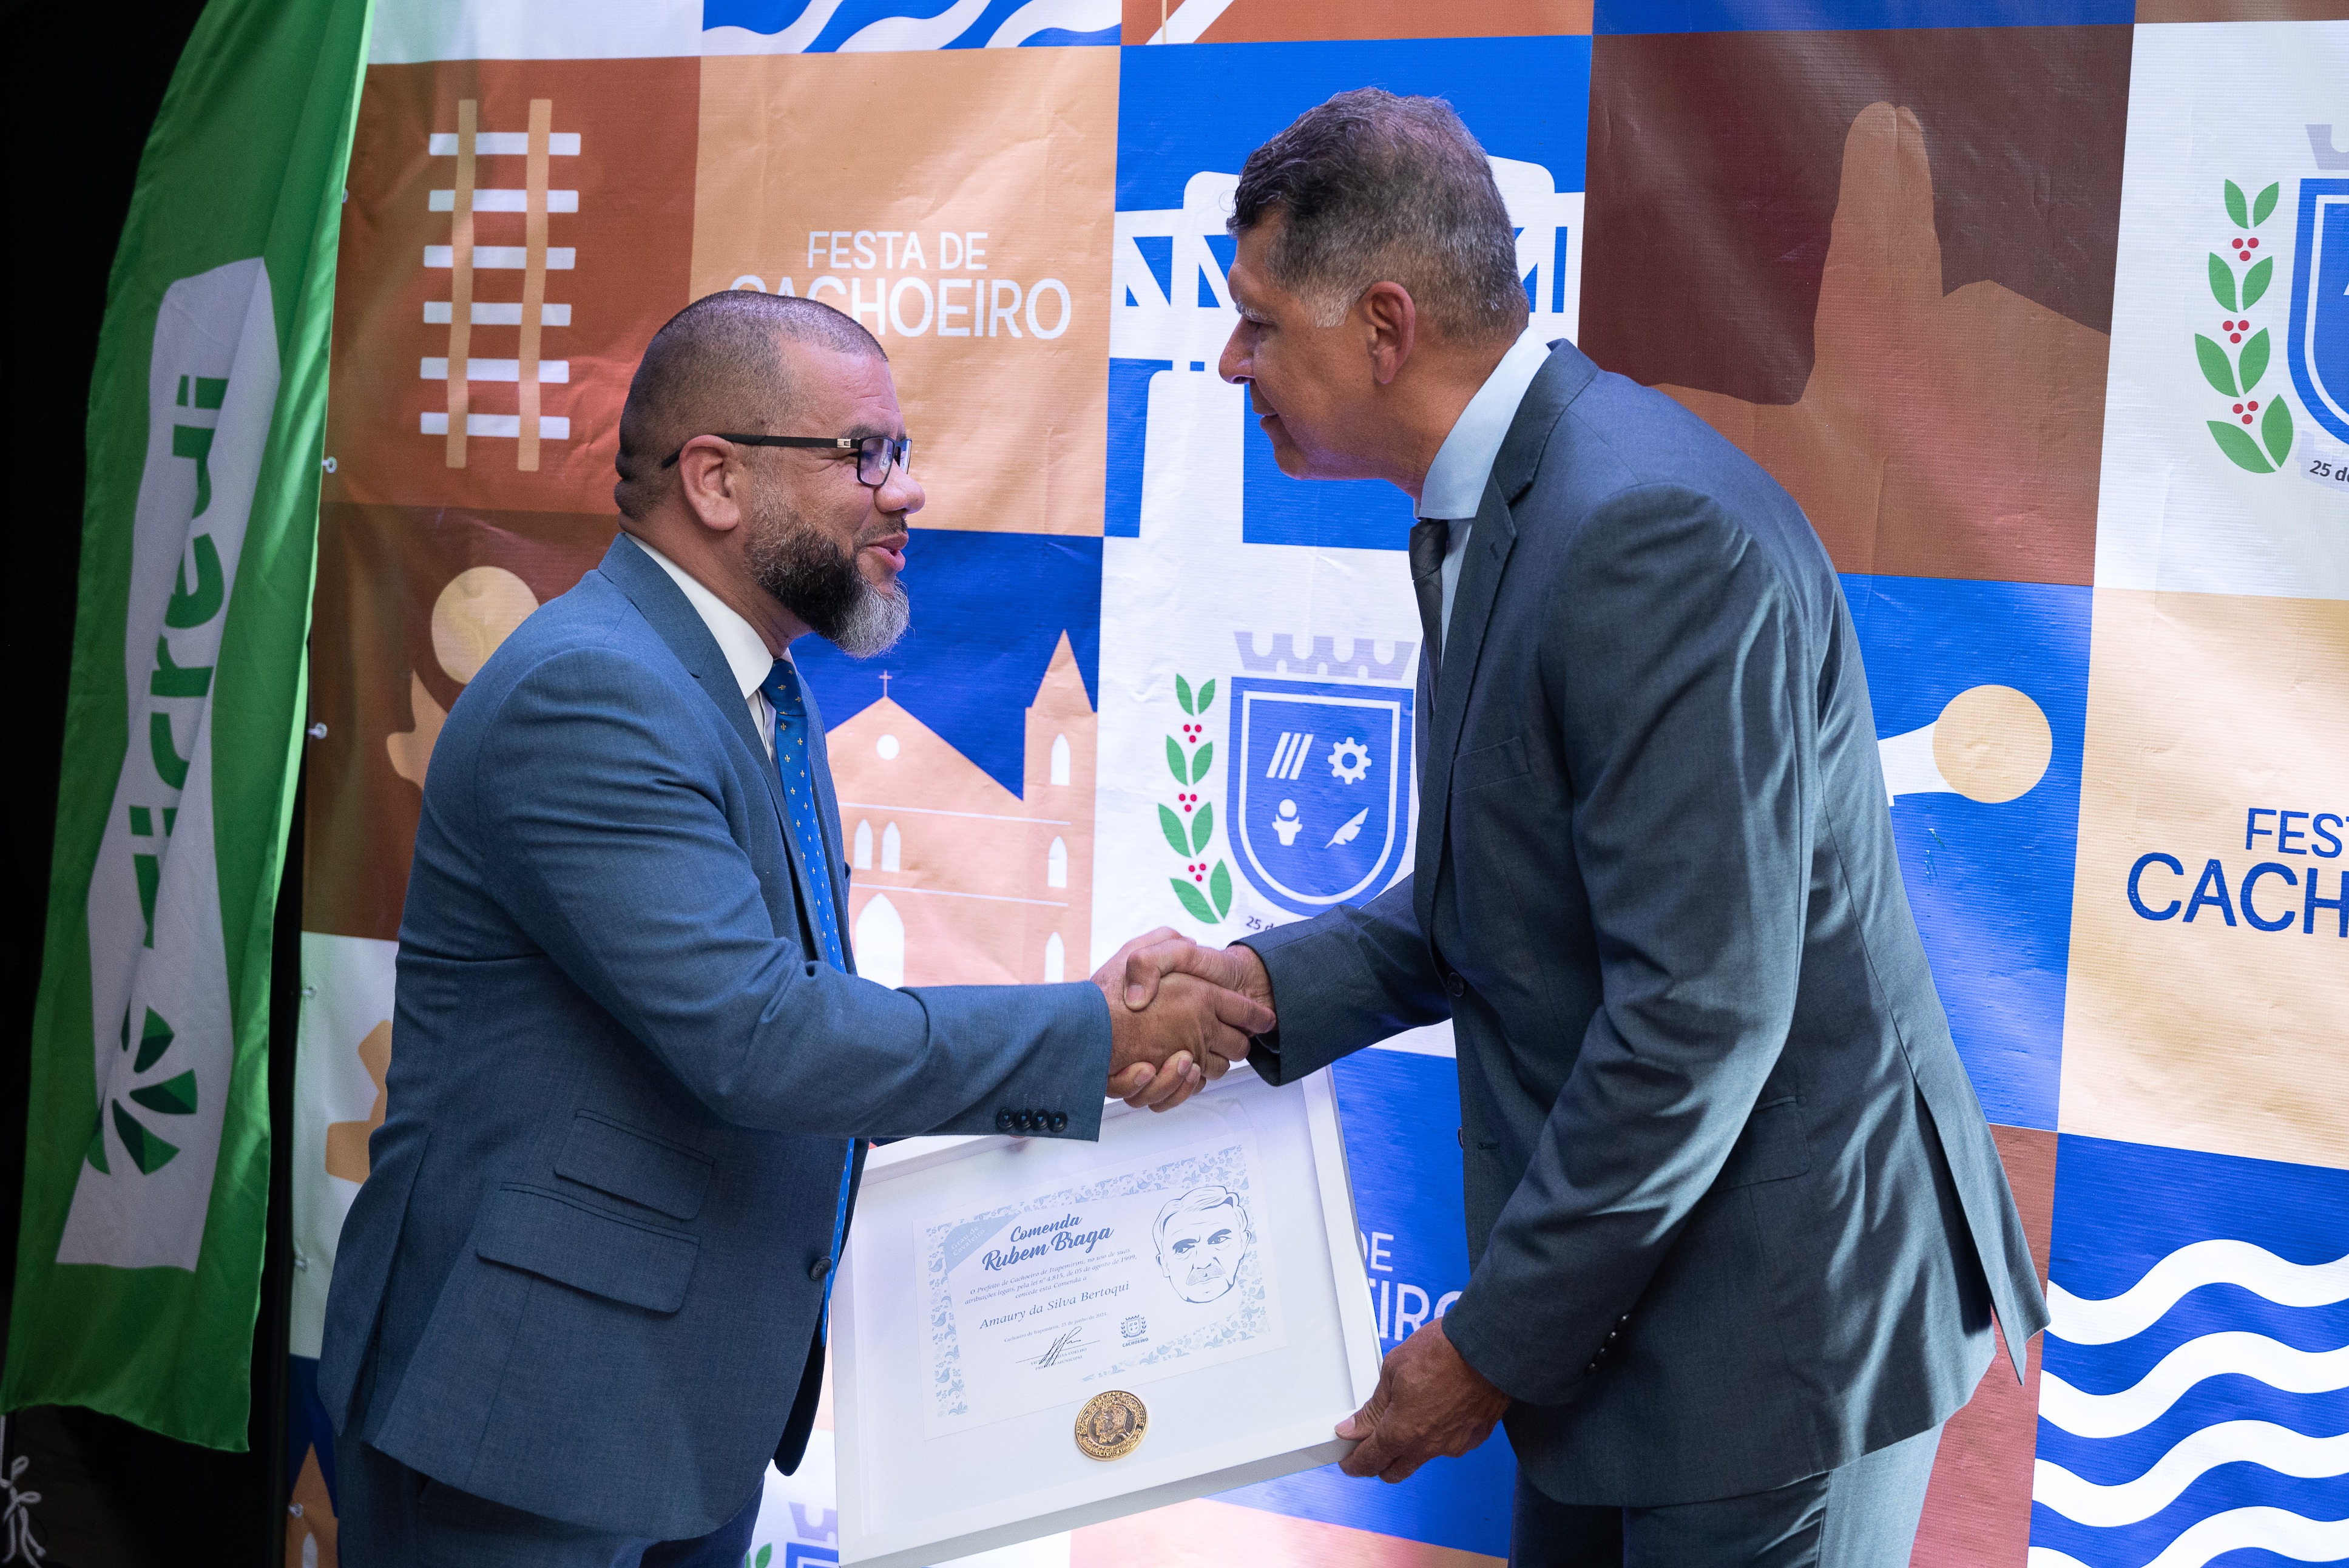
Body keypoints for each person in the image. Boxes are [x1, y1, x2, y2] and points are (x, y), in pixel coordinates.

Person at [1122, 90, 2049, 1567]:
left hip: (1767, 1347)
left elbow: (1696, 1012)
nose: (1232, 360)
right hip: (1632, 1316)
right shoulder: (1516, 497)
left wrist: (1486, 1344)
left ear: (1383, 326)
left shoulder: (1641, 529)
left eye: (1257, 322)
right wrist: (1255, 989)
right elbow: (1510, 894)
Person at [319, 292, 1273, 1567]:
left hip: (686, 1397)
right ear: (715, 478)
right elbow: (766, 1038)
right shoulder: (591, 690)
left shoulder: (756, 687)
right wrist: (1097, 1036)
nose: (907, 491)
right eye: (865, 453)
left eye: (900, 451)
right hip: (529, 1413)